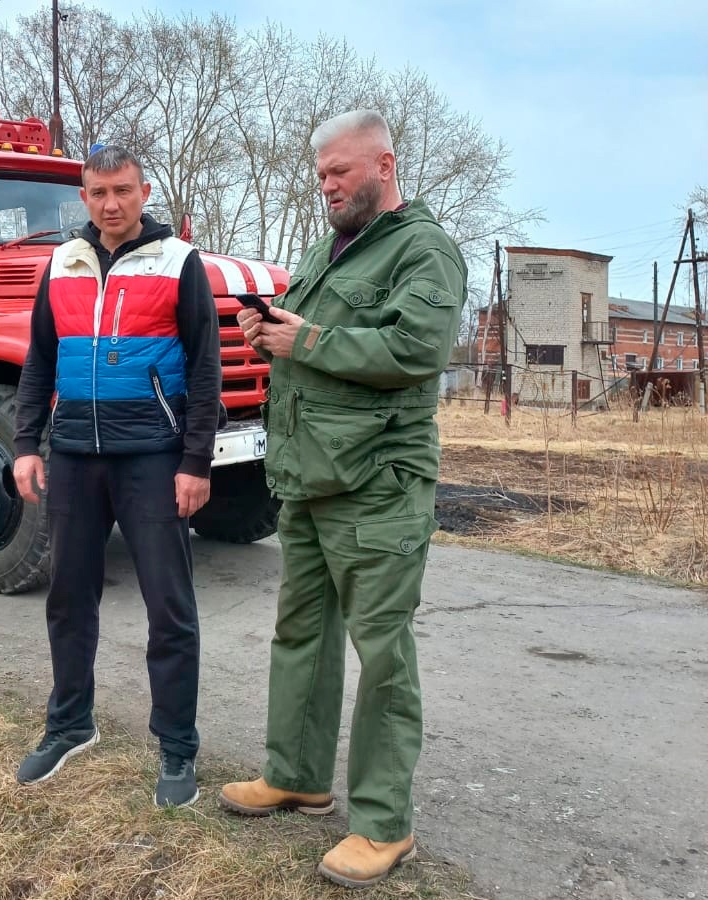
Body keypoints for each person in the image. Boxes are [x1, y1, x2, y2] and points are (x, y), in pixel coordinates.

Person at [218, 110, 466, 888]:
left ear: (384, 165)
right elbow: (311, 344)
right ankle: (296, 774)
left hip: (378, 486)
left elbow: (415, 349)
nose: (325, 185)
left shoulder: (425, 251)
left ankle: (385, 826)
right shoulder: (323, 253)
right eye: (320, 174)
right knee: (302, 636)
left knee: (383, 655)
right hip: (310, 477)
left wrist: (310, 342)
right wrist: (275, 333)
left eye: (339, 172)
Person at [12, 145, 222, 808]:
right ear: (84, 196)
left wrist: (195, 461)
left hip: (152, 457)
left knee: (170, 609)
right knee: (68, 599)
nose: (112, 204)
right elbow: (38, 361)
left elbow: (204, 368)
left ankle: (178, 748)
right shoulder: (62, 262)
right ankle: (71, 723)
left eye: (124, 191)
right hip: (74, 455)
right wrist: (26, 443)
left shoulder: (179, 262)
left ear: (144, 191)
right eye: (99, 192)